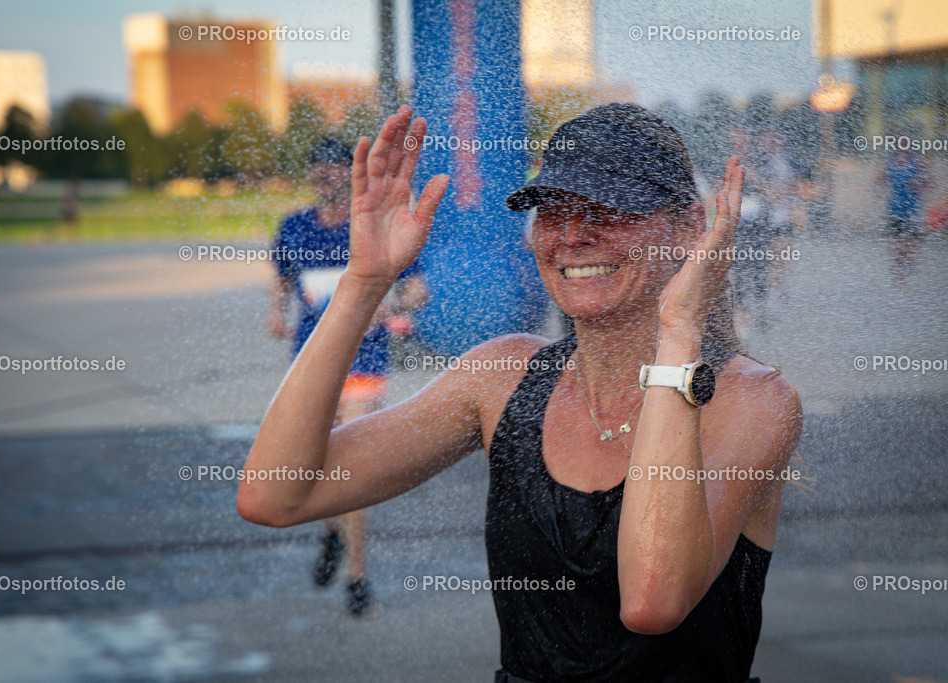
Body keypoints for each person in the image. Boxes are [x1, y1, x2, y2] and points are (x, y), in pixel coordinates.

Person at [241, 104, 803, 680]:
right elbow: (275, 496)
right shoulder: (504, 377)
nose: (575, 235)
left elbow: (653, 602)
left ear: (689, 226)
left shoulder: (750, 401)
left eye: (608, 210)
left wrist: (680, 333)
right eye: (552, 211)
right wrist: (364, 282)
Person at [266, 137, 428, 617]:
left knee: (347, 470)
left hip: (365, 363)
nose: (326, 175)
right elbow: (281, 276)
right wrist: (276, 309)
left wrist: (392, 305)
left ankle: (357, 578)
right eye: (318, 167)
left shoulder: (372, 226)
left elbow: (417, 287)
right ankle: (332, 534)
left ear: (350, 174)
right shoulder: (294, 226)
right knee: (318, 466)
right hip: (310, 364)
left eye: (335, 168)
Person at [878, 142, 928, 286]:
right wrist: (876, 189)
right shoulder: (889, 163)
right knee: (897, 245)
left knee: (909, 245)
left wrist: (919, 183)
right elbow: (879, 181)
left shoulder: (917, 162)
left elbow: (930, 182)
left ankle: (907, 267)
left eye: (904, 143)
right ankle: (898, 277)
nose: (901, 146)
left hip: (911, 209)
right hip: (894, 209)